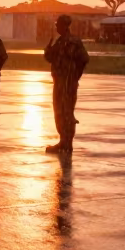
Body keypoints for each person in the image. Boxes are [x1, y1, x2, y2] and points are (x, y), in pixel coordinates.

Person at [43, 14, 89, 152]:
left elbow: (84, 59)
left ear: (64, 25)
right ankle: (64, 142)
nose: (56, 26)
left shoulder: (73, 41)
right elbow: (50, 58)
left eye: (58, 24)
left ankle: (67, 143)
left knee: (66, 113)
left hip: (67, 83)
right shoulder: (60, 40)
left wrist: (75, 76)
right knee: (60, 112)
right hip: (60, 82)